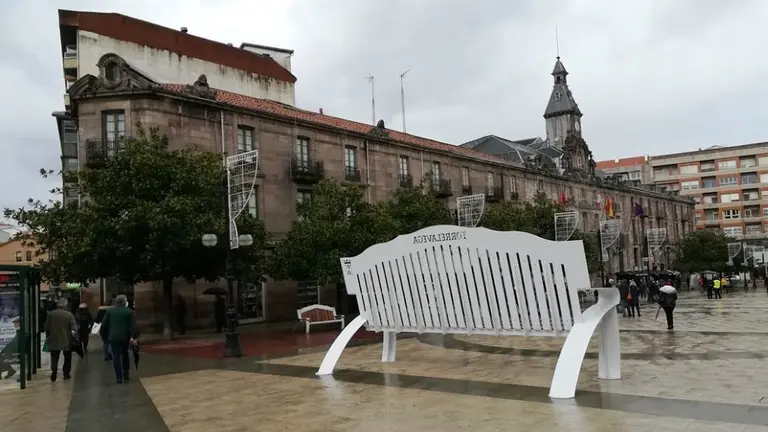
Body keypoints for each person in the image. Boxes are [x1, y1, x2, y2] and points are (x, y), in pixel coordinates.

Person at [100, 295, 134, 384]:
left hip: (113, 336)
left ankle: (118, 377)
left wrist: (106, 335)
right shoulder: (129, 311)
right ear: (124, 302)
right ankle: (126, 374)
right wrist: (133, 336)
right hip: (125, 336)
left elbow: (104, 325)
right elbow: (132, 326)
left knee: (116, 356)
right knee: (125, 354)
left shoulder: (110, 311)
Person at [44, 298, 77, 382]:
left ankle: (54, 370)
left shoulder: (50, 314)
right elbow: (73, 328)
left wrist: (48, 336)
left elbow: (46, 327)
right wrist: (73, 336)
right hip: (66, 339)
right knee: (67, 357)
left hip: (54, 339)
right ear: (65, 305)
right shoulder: (69, 315)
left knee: (54, 357)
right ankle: (66, 373)